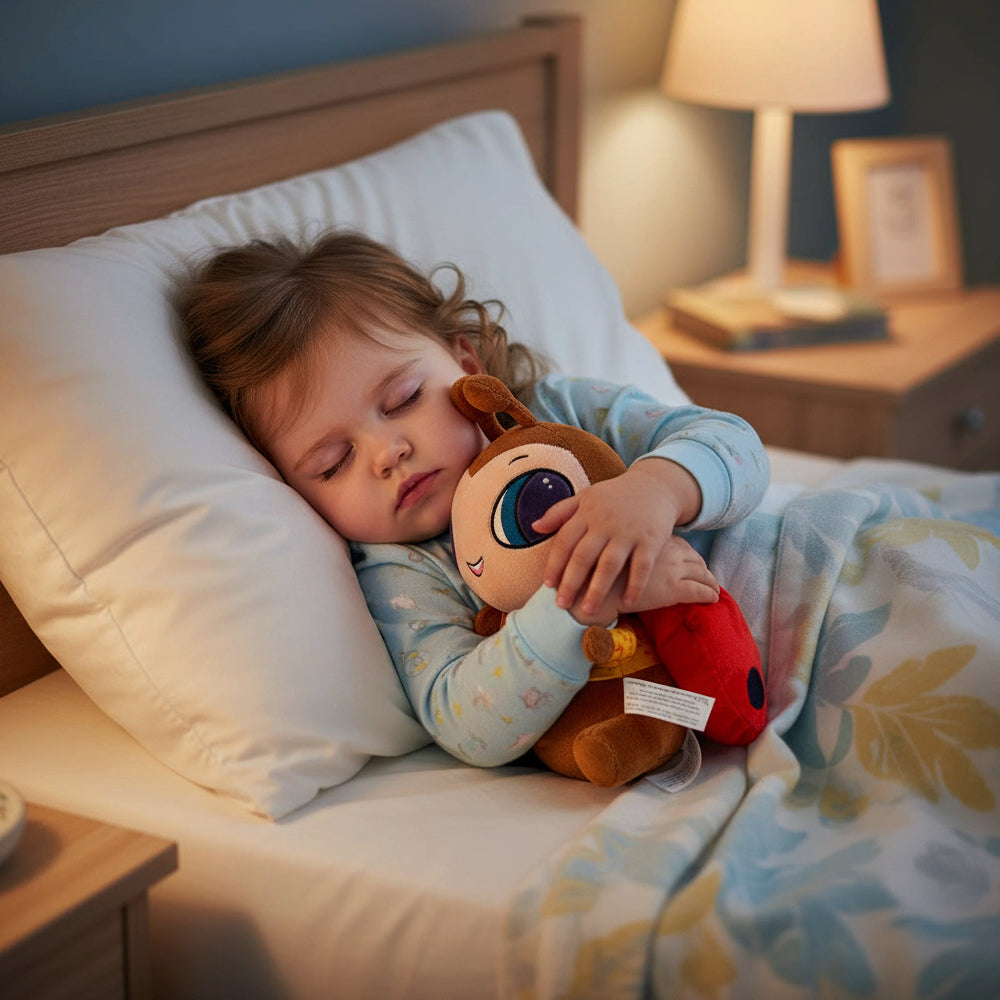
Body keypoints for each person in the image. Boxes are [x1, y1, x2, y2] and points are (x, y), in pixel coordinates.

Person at [180, 230, 770, 768]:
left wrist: (656, 488)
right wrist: (577, 602)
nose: (387, 453)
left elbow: (734, 442)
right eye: (334, 464)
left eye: (403, 399)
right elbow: (465, 720)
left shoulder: (560, 412)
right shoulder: (405, 572)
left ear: (465, 363)